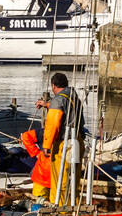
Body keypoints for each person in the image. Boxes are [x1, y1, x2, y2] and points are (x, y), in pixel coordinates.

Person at [36, 72, 86, 204]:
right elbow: (66, 110)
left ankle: (60, 209)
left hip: (64, 144)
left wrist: (46, 145)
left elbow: (53, 124)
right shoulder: (74, 97)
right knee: (73, 178)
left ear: (53, 85)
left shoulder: (57, 100)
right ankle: (73, 205)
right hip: (77, 141)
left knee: (61, 179)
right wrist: (47, 104)